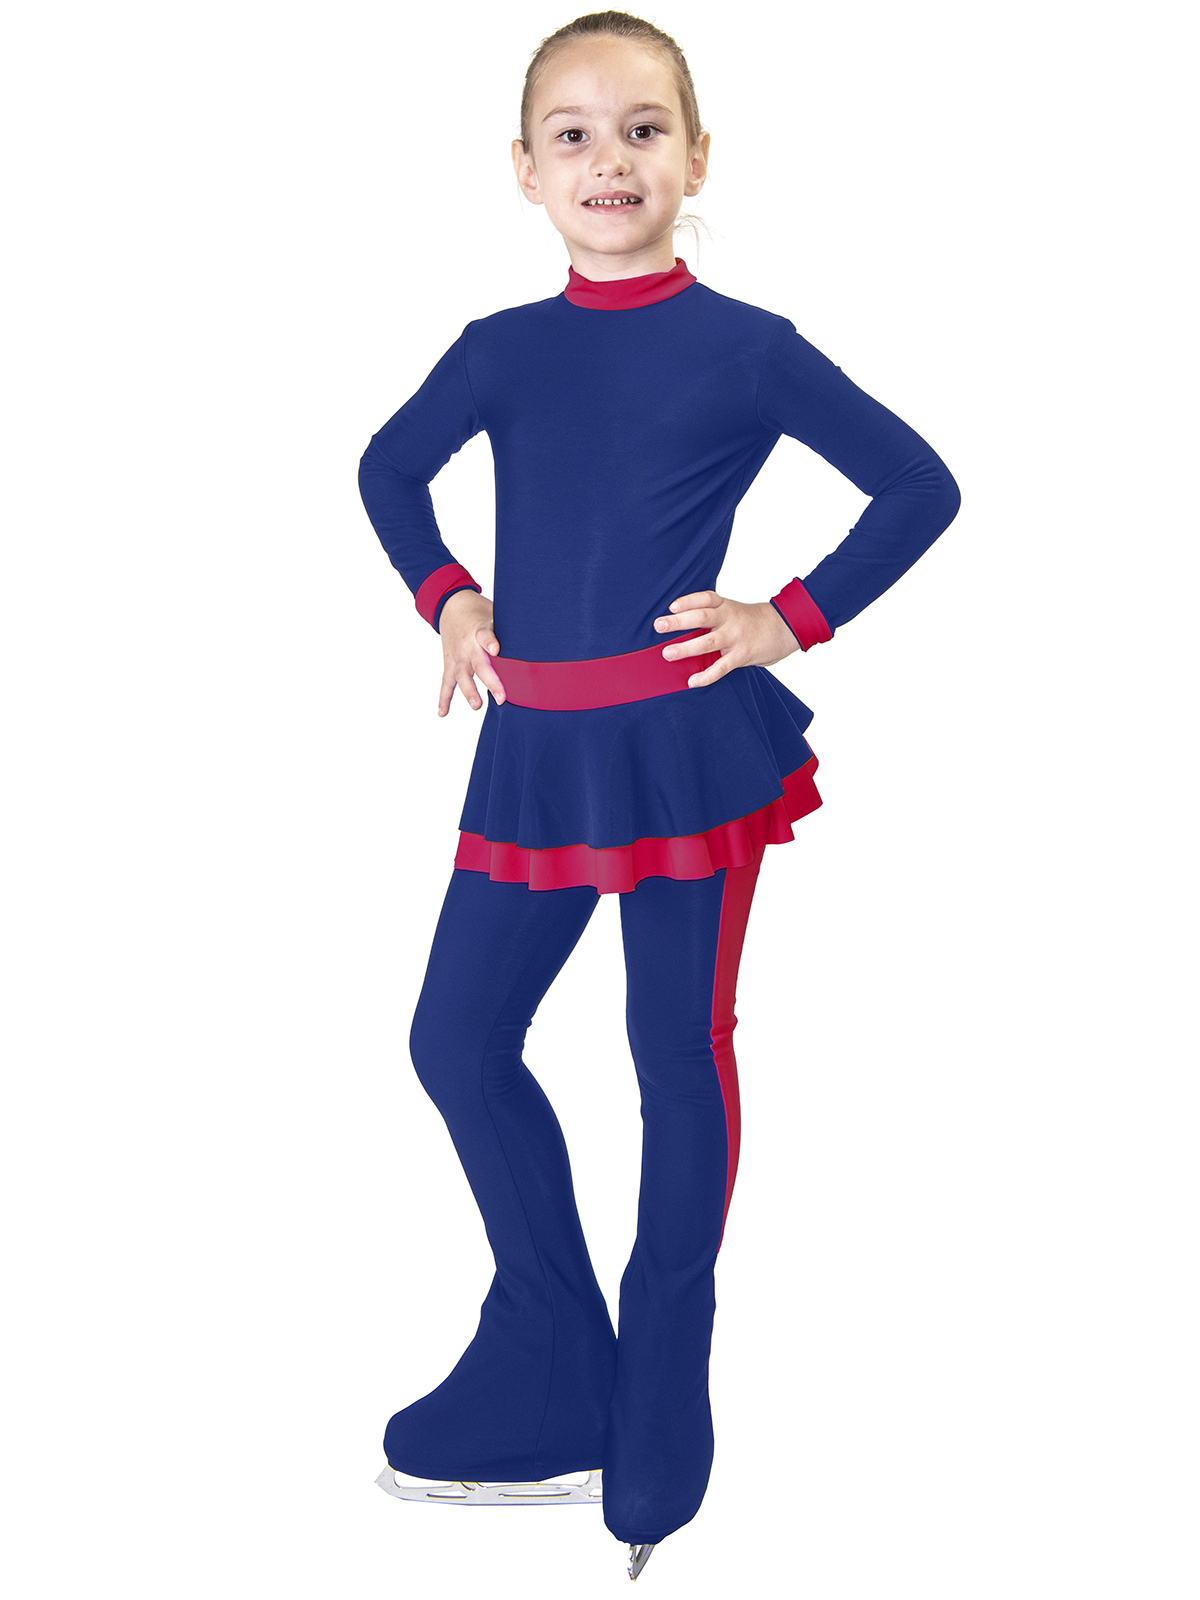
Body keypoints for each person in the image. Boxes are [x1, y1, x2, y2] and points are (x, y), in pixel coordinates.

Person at [357, 8, 961, 1579]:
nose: (608, 159)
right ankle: (555, 1346)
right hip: (538, 756)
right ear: (523, 169)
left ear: (698, 160)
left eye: (643, 130)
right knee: (455, 1040)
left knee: (671, 1058)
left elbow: (921, 484)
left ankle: (664, 1391)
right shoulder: (500, 350)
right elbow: (387, 468)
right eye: (573, 133)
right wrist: (447, 595)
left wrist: (788, 618)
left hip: (685, 756)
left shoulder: (745, 345)